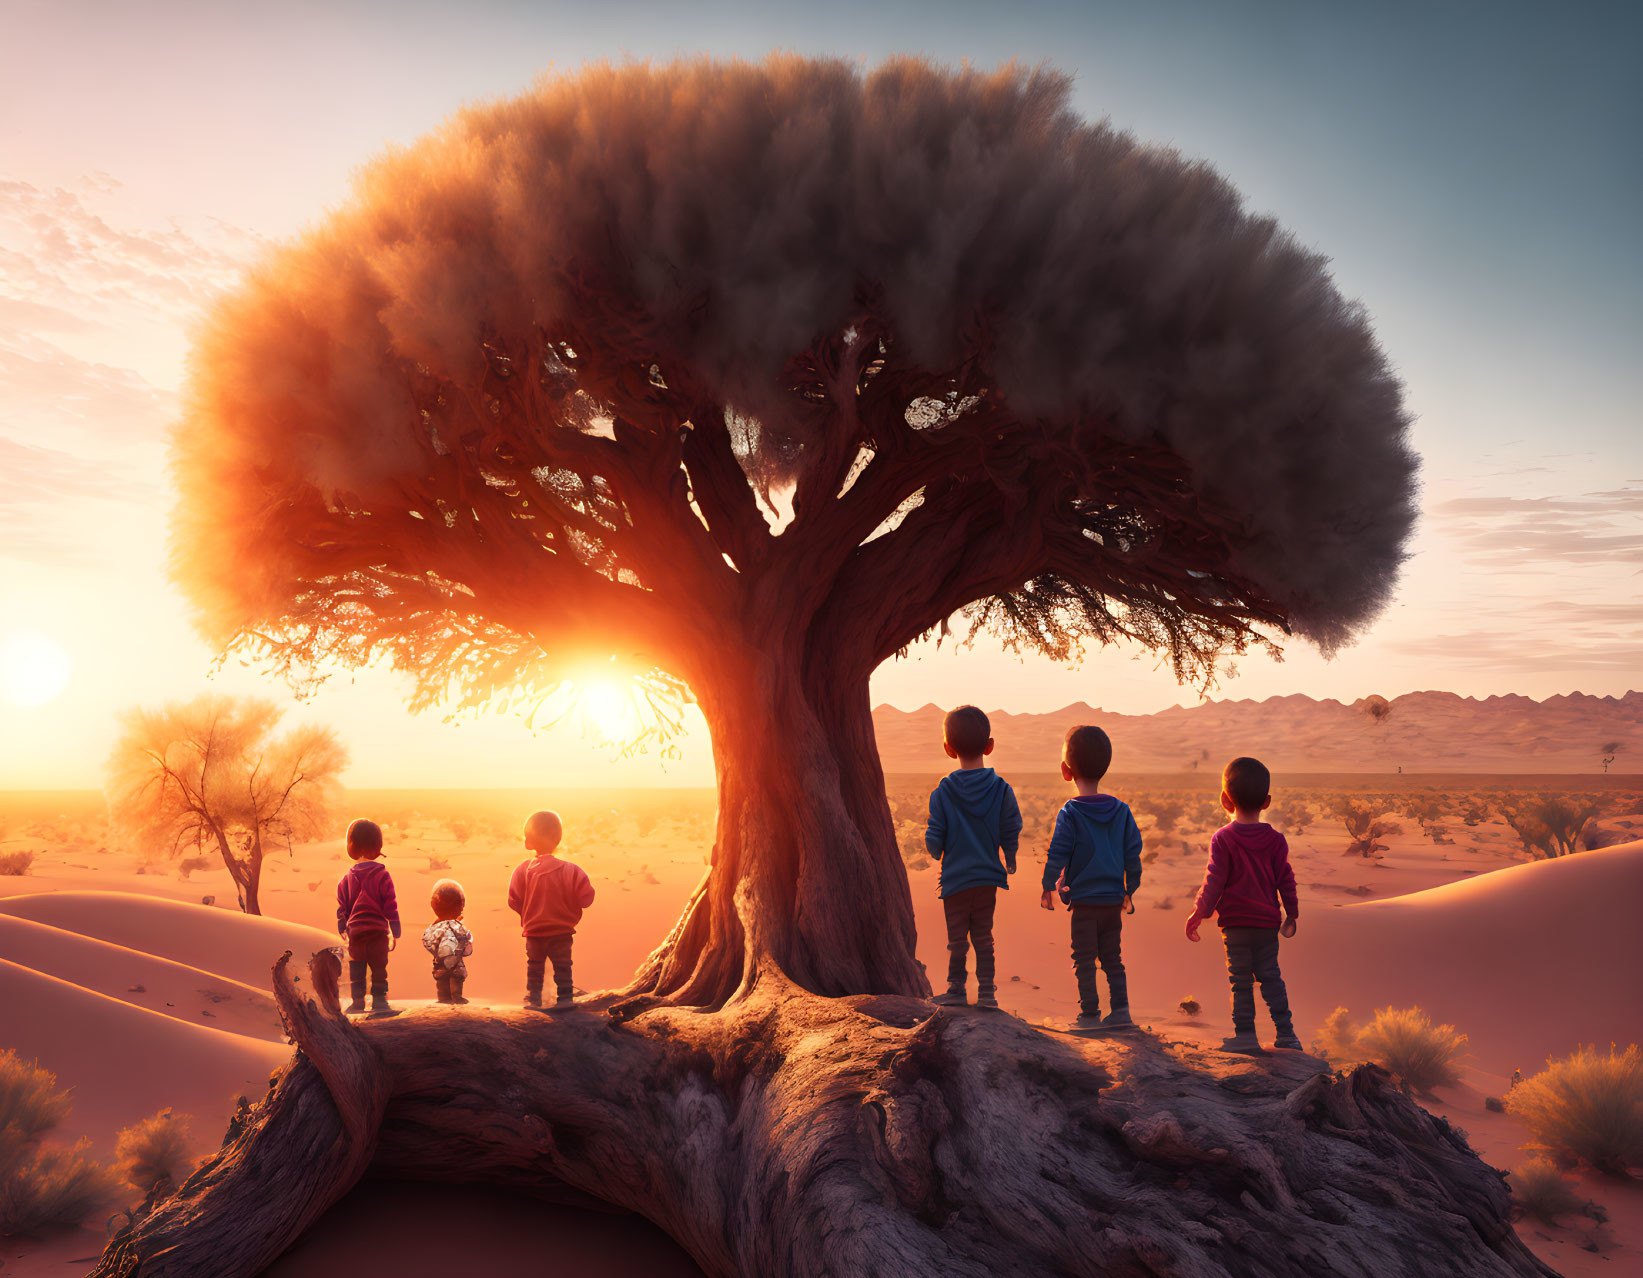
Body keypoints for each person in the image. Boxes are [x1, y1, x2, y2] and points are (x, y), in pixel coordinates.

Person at [1184, 756, 1302, 1053]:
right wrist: (1292, 914)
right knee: (1270, 976)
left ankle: (1246, 1035)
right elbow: (1285, 880)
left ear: (1225, 800)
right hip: (1266, 924)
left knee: (1240, 980)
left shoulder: (1223, 839)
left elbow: (1214, 881)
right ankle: (1286, 1033)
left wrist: (1200, 912)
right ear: (1267, 801)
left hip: (1236, 925)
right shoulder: (1276, 841)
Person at [1040, 725, 1143, 1032]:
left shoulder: (1070, 812)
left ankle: (1089, 1015)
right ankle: (1121, 1011)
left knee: (1084, 959)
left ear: (1065, 771)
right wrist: (1130, 890)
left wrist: (1047, 885)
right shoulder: (1121, 811)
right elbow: (1133, 854)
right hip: (1112, 900)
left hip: (1084, 901)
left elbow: (1058, 852)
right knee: (1113, 957)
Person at [924, 705, 1023, 1009]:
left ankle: (955, 990)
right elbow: (1011, 825)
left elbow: (934, 835)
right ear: (989, 746)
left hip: (955, 880)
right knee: (984, 936)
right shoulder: (1001, 789)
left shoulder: (943, 791)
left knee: (957, 940)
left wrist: (935, 848)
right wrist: (1010, 855)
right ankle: (987, 994)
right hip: (986, 879)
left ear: (948, 749)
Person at [508, 810, 594, 1010]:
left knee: (535, 967)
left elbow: (513, 900)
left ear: (529, 840)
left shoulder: (522, 871)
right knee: (563, 967)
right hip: (562, 932)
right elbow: (586, 898)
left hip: (534, 932)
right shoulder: (571, 871)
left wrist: (528, 914)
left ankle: (533, 999)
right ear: (557, 838)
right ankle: (565, 999)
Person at [335, 818, 401, 1017]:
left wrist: (342, 927)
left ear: (351, 846)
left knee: (357, 967)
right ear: (377, 846)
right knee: (379, 968)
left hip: (355, 933)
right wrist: (395, 930)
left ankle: (357, 1003)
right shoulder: (383, 876)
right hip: (377, 932)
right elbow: (390, 904)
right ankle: (380, 1001)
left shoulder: (345, 879)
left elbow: (342, 907)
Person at [423, 878, 474, 1004]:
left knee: (442, 980)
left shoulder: (435, 926)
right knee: (456, 978)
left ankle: (443, 998)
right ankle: (456, 997)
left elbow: (427, 940)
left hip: (439, 963)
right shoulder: (456, 926)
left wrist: (436, 953)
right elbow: (465, 941)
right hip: (455, 963)